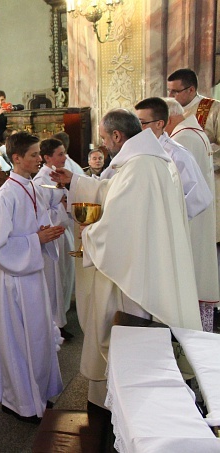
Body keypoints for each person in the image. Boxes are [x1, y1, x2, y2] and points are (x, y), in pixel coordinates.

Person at [51, 109, 203, 409]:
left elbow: (118, 227)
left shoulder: (139, 167)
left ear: (118, 136)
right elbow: (114, 192)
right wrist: (77, 183)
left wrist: (90, 232)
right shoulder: (148, 161)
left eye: (106, 138)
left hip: (135, 277)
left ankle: (124, 405)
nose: (105, 145)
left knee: (125, 332)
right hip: (149, 264)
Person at [0, 131, 64, 423]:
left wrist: (47, 232)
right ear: (16, 158)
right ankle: (20, 401)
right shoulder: (5, 196)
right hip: (15, 279)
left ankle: (37, 392)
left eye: (39, 154)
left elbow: (41, 214)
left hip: (33, 273)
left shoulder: (31, 187)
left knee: (38, 337)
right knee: (19, 340)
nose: (39, 159)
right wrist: (36, 239)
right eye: (33, 155)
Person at [159, 97, 219, 306]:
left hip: (190, 216)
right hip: (199, 214)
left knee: (189, 274)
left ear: (168, 119)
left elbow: (179, 184)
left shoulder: (183, 138)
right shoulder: (193, 133)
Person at [34, 138, 75, 339]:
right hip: (52, 235)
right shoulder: (40, 181)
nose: (64, 157)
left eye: (64, 153)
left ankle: (61, 316)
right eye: (60, 154)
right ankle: (54, 323)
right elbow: (43, 213)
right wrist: (63, 204)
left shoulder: (59, 176)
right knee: (53, 281)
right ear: (47, 158)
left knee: (65, 277)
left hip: (63, 232)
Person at [167, 68, 220, 151]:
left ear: (191, 90)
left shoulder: (215, 108)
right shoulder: (167, 109)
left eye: (175, 91)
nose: (170, 96)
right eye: (169, 91)